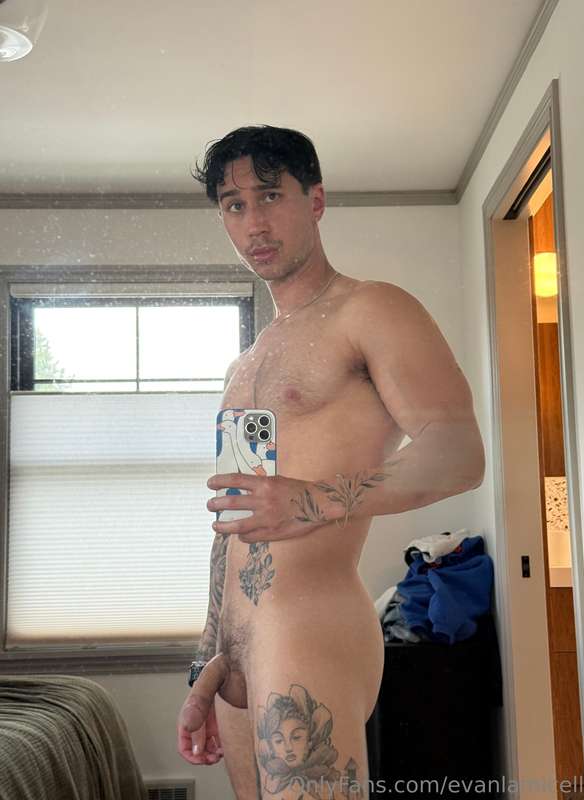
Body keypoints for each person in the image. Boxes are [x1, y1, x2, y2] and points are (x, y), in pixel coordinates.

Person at [176, 125, 485, 799]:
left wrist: (310, 500)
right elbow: (233, 522)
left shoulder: (372, 310)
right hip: (234, 658)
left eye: (270, 195)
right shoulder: (246, 364)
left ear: (315, 200)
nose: (253, 222)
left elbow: (459, 451)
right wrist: (207, 661)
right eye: (233, 205)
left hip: (307, 626)